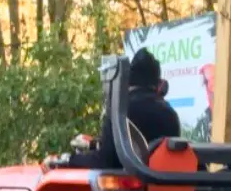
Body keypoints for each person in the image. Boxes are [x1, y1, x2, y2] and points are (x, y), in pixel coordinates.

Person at [44, 48, 181, 170]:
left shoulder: (121, 112)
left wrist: (66, 160)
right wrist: (94, 144)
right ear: (156, 83)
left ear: (126, 80)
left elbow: (105, 160)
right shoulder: (171, 115)